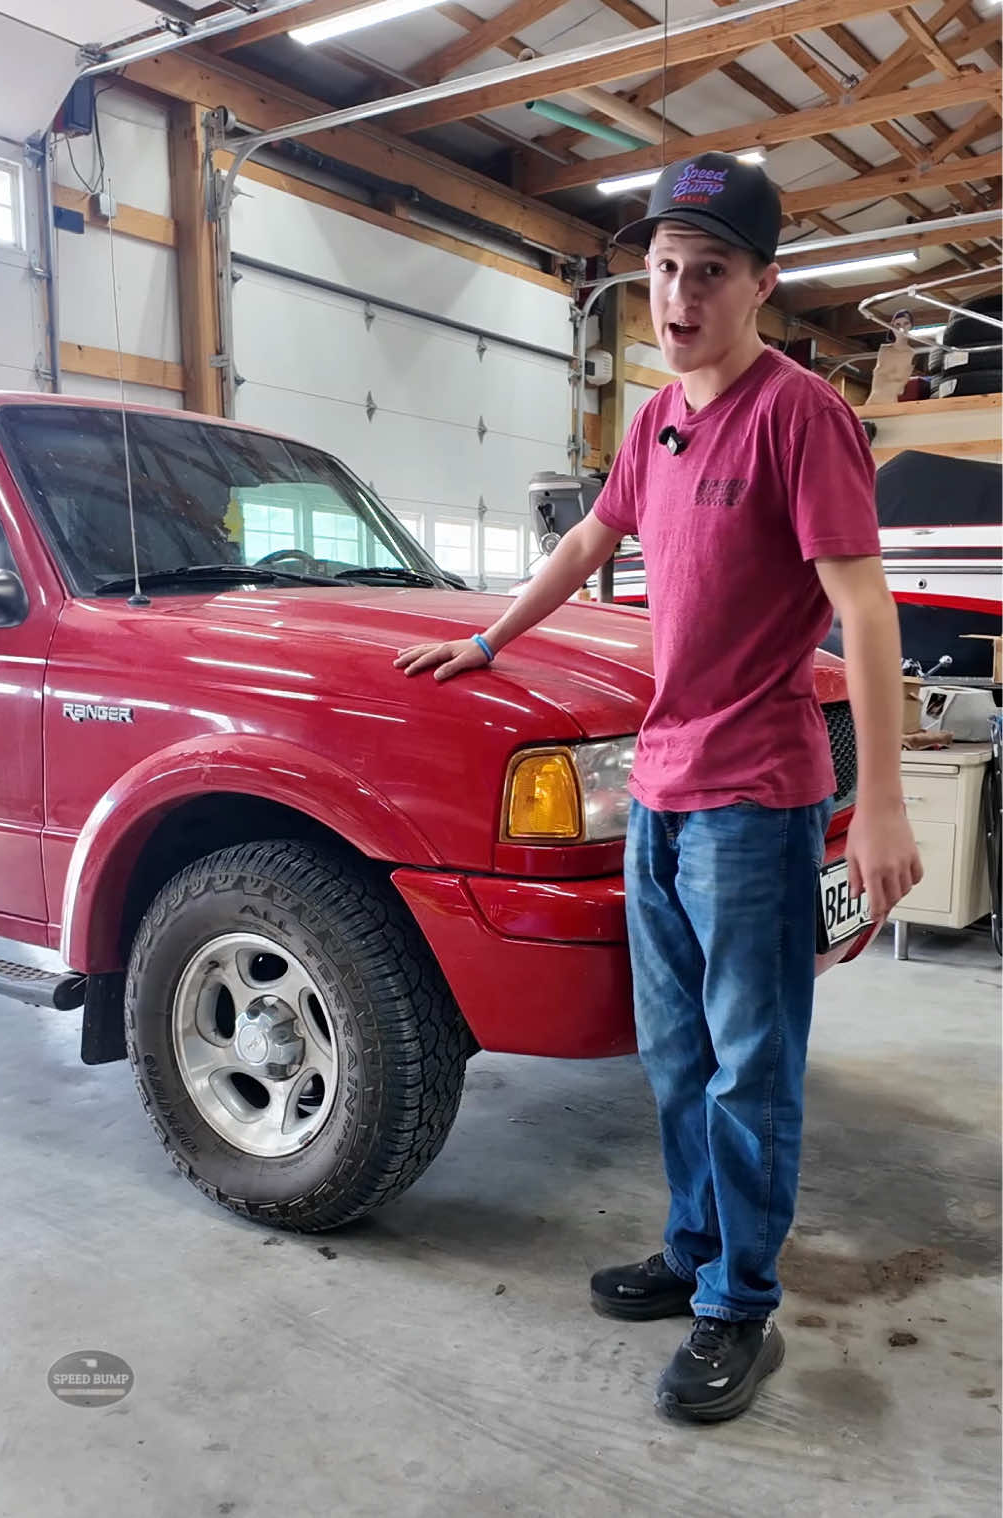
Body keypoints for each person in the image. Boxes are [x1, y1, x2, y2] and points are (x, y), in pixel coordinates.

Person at [394, 151, 922, 1425]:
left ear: (761, 285)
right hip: (664, 786)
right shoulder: (657, 418)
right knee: (677, 1055)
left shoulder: (801, 416)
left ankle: (740, 1305)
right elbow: (590, 536)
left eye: (710, 273)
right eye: (664, 271)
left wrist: (890, 803)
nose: (679, 297)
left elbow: (864, 607)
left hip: (755, 798)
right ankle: (693, 1249)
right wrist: (488, 640)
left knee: (750, 1066)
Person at [867, 308, 917, 404]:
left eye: (906, 323)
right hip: (873, 402)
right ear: (892, 326)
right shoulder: (884, 350)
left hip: (891, 403)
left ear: (911, 326)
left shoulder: (912, 354)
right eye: (897, 324)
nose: (901, 328)